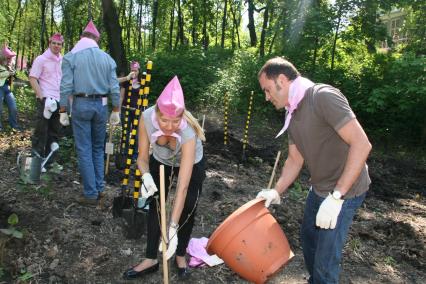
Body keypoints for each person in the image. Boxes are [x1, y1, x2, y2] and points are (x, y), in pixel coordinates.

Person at [256, 57, 371, 284]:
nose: (266, 97)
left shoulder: (322, 97)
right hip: (320, 188)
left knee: (325, 261)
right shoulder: (292, 110)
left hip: (346, 190)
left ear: (282, 80)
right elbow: (295, 159)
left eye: (267, 90)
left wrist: (337, 197)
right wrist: (276, 191)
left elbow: (362, 144)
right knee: (309, 240)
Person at [122, 76, 206, 280]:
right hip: (161, 160)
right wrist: (147, 176)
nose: (169, 126)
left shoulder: (187, 132)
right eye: (164, 120)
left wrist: (173, 227)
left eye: (175, 121)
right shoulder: (146, 117)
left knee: (188, 205)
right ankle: (151, 258)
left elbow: (182, 187)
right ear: (157, 114)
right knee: (156, 205)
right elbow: (141, 158)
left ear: (182, 117)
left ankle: (179, 254)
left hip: (191, 163)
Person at [59, 20, 121, 205]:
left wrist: (63, 109)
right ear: (96, 39)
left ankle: (90, 193)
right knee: (97, 148)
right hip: (101, 106)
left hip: (81, 104)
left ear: (82, 37)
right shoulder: (107, 59)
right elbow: (114, 87)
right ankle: (99, 187)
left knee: (84, 149)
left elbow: (66, 86)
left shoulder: (71, 57)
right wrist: (116, 108)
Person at [29, 33, 64, 164]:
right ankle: (36, 162)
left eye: (59, 44)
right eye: (54, 43)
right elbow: (33, 78)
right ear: (49, 44)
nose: (56, 46)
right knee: (41, 131)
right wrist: (42, 97)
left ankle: (50, 162)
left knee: (55, 132)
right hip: (45, 100)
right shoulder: (41, 59)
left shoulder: (63, 60)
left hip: (59, 100)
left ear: (61, 46)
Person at [118, 60, 142, 159]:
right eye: (132, 70)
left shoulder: (143, 82)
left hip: (137, 111)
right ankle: (124, 152)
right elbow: (121, 96)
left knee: (136, 133)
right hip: (125, 110)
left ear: (139, 70)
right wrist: (118, 110)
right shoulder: (126, 81)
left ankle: (135, 154)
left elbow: (145, 98)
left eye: (135, 70)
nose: (134, 72)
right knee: (125, 131)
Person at [0, 44, 20, 131]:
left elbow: (12, 73)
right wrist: (8, 73)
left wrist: (12, 71)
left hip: (7, 89)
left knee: (13, 108)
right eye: (8, 58)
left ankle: (14, 126)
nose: (10, 59)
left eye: (10, 58)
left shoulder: (10, 64)